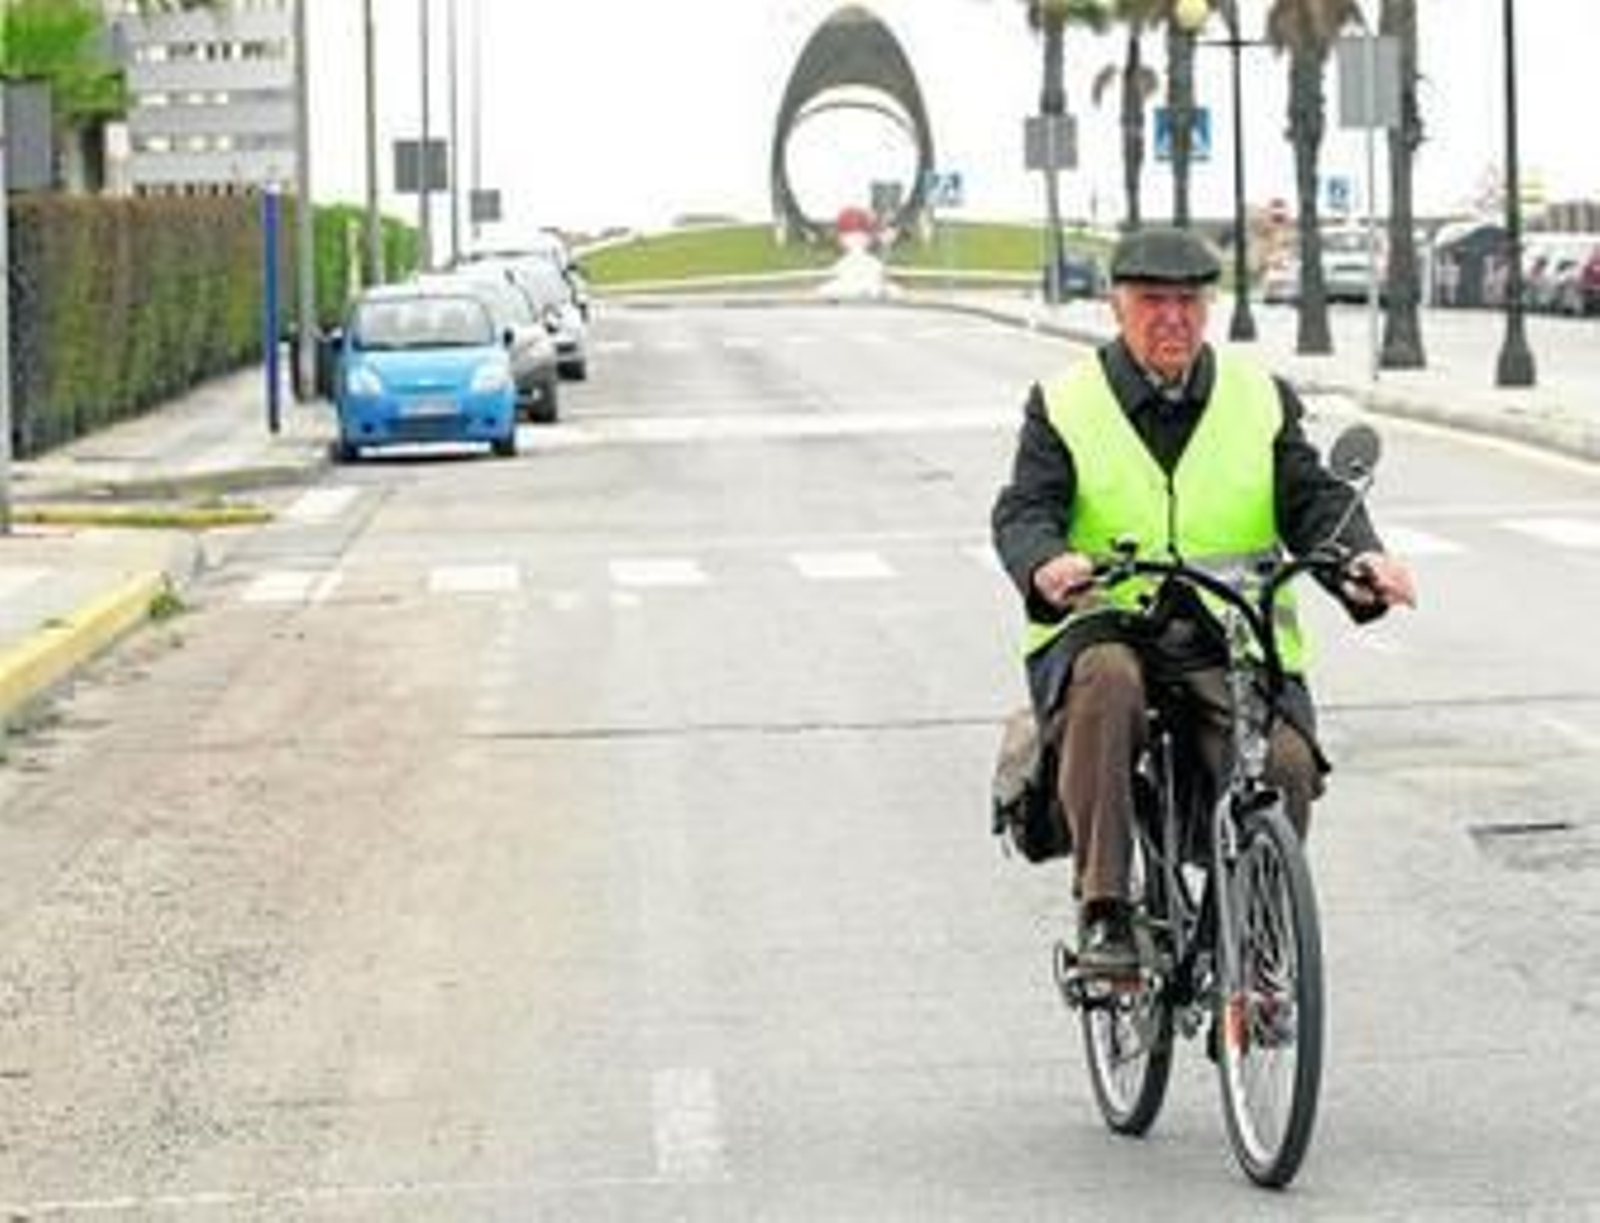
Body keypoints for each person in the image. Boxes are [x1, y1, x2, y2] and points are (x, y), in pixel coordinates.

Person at [990, 226, 1417, 974]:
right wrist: (1048, 562)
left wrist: (1361, 559)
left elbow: (1311, 499)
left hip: (1229, 637)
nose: (1172, 318)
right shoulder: (1064, 402)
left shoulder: (1260, 397)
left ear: (1208, 306)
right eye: (1153, 300)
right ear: (1117, 304)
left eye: (1189, 301)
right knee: (1109, 679)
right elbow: (1025, 509)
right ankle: (1106, 909)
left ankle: (1247, 937)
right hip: (1108, 628)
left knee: (1284, 762)